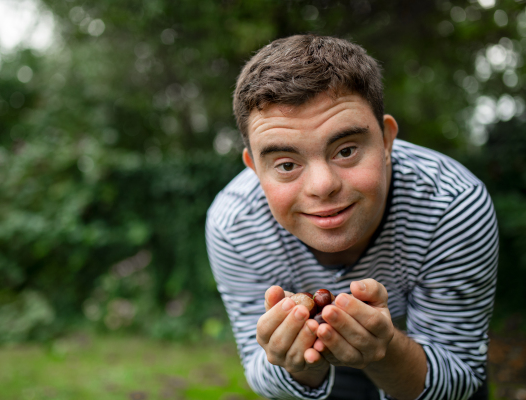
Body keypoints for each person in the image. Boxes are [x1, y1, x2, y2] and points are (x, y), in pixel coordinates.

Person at [205, 35, 497, 400]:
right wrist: (300, 365)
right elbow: (259, 367)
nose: (322, 186)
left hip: (422, 360)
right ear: (254, 169)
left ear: (387, 141)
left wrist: (384, 350)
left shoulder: (452, 206)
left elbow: (460, 373)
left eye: (345, 150)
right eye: (285, 164)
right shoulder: (234, 224)